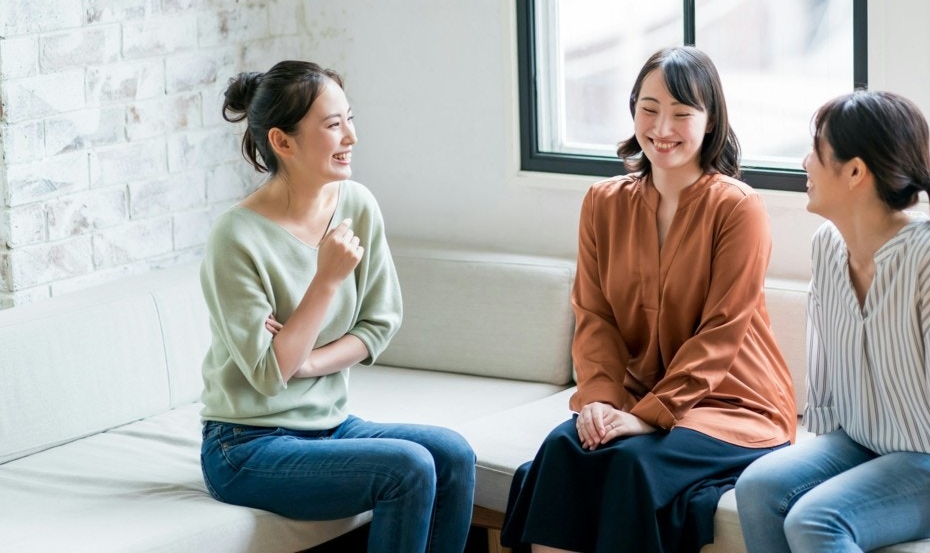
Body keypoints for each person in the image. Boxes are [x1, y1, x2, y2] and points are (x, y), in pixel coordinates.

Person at [501, 46, 798, 553]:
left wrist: (649, 415)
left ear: (710, 122)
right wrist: (599, 399)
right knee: (562, 448)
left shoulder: (738, 208)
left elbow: (722, 331)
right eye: (649, 108)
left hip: (733, 403)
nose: (663, 127)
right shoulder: (603, 202)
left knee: (630, 463)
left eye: (682, 113)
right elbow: (593, 316)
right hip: (637, 395)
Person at [735, 90, 930, 553]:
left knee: (817, 520)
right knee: (757, 488)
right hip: (872, 439)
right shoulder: (827, 245)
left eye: (816, 151)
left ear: (855, 172)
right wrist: (824, 460)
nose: (804, 162)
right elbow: (826, 367)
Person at [197, 60, 475, 553]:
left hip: (330, 426)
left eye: (350, 118)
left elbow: (380, 321)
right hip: (246, 445)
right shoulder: (235, 237)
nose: (351, 136)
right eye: (332, 125)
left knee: (452, 453)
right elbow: (267, 374)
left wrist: (307, 360)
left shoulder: (357, 204)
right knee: (407, 468)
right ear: (282, 141)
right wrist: (326, 278)